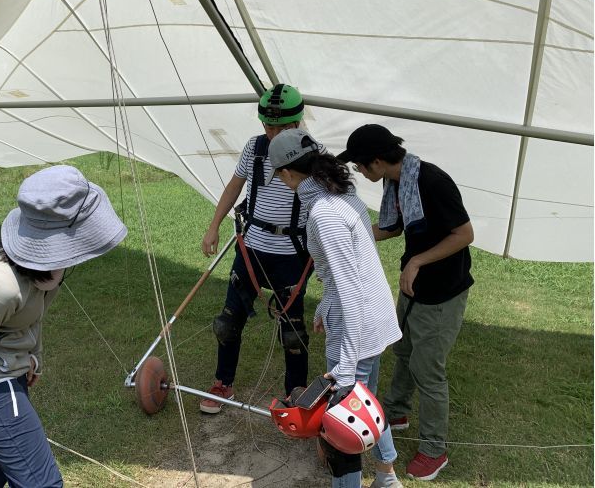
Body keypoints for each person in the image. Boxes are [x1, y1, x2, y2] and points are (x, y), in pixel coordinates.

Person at [0, 165, 127, 487]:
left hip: (13, 371)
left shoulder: (52, 270)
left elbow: (34, 315)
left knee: (1, 459)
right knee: (43, 483)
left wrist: (34, 357)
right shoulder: (1, 287)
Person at [337, 124, 474, 482]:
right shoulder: (395, 181)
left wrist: (416, 261)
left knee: (428, 370)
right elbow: (394, 227)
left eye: (359, 165)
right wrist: (351, 235)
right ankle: (396, 411)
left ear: (377, 161)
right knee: (402, 349)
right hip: (415, 286)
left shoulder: (432, 181)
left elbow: (464, 234)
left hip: (442, 291)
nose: (358, 171)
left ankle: (434, 450)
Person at [268, 128, 403, 488]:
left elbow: (351, 289)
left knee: (341, 423)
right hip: (371, 317)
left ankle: (375, 479)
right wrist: (325, 306)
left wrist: (345, 368)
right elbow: (346, 270)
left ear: (287, 174)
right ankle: (387, 476)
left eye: (279, 176)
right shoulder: (341, 193)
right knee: (366, 402)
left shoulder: (324, 213)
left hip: (357, 326)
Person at [199, 84, 314, 413]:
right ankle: (223, 383)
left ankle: (295, 394)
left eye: (280, 128)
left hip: (292, 254)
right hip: (251, 249)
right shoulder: (254, 147)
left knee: (292, 330)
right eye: (268, 126)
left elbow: (323, 205)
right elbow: (234, 186)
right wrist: (213, 226)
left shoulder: (314, 153)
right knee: (228, 322)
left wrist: (323, 257)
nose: (272, 133)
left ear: (297, 123)